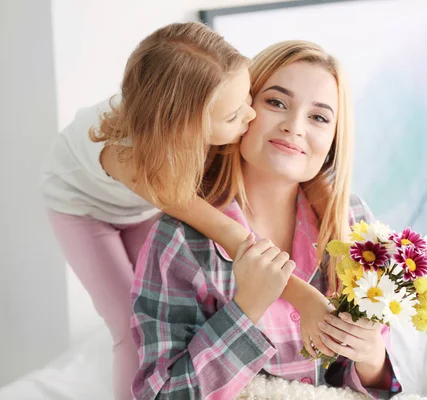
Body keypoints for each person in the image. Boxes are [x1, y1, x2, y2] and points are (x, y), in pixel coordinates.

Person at [40, 22, 329, 399]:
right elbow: (232, 235)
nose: (251, 116)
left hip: (142, 205)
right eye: (233, 117)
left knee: (156, 310)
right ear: (188, 128)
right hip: (82, 208)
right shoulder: (133, 158)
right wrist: (305, 298)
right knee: (128, 326)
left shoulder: (191, 113)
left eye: (248, 98)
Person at [131, 40, 401, 400]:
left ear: (334, 140)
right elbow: (161, 396)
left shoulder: (354, 223)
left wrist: (370, 356)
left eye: (319, 117)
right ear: (240, 110)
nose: (294, 126)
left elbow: (373, 388)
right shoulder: (181, 238)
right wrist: (247, 309)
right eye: (276, 103)